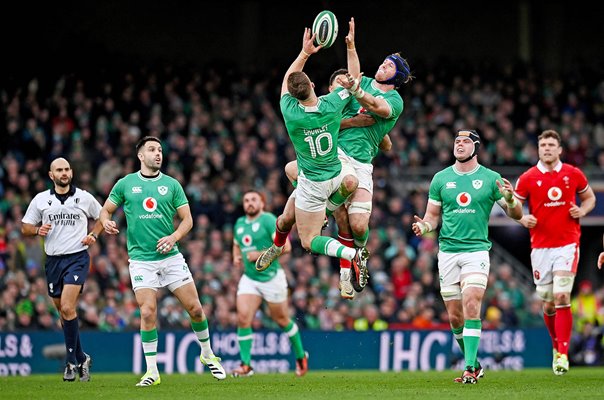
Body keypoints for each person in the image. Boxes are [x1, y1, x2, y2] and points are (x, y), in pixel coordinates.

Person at [285, 17, 411, 299]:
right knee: (295, 172)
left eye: (389, 65)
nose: (382, 65)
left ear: (397, 77)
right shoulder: (360, 83)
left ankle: (359, 254)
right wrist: (351, 47)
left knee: (358, 226)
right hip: (337, 157)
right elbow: (338, 113)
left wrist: (379, 132)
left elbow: (377, 106)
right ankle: (324, 210)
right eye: (383, 61)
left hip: (363, 163)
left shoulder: (395, 101)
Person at [99, 136, 226, 386]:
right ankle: (152, 372)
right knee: (147, 311)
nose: (158, 153)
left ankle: (207, 353)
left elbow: (188, 220)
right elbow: (106, 210)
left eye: (159, 150)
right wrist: (106, 222)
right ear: (140, 156)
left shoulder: (172, 185)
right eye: (152, 150)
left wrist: (174, 236)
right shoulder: (126, 184)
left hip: (170, 257)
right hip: (141, 260)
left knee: (196, 309)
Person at [255, 27, 369, 282]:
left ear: (292, 96)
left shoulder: (290, 112)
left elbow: (287, 80)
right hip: (336, 171)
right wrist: (350, 46)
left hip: (313, 184)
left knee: (308, 241)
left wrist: (305, 52)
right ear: (314, 86)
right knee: (286, 217)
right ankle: (278, 245)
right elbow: (354, 78)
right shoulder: (332, 104)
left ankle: (351, 255)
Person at [412, 129, 523, 384]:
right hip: (448, 252)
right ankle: (475, 363)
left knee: (471, 302)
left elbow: (515, 214)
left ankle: (469, 368)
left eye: (465, 141)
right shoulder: (441, 179)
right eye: (456, 141)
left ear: (476, 147)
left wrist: (510, 197)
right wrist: (424, 227)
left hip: (476, 251)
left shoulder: (490, 178)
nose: (459, 145)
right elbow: (431, 217)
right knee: (454, 317)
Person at [514, 129, 596, 375]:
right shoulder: (528, 177)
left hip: (567, 244)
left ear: (559, 149)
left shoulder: (573, 174)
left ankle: (563, 353)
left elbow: (590, 198)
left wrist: (583, 211)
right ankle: (555, 345)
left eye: (551, 145)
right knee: (548, 305)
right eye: (543, 145)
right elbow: (514, 207)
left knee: (562, 297)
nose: (547, 149)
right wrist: (522, 218)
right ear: (538, 150)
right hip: (540, 247)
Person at [21, 157, 104, 382]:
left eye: (67, 169)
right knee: (64, 312)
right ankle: (81, 357)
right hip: (53, 261)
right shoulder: (41, 200)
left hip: (77, 258)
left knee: (68, 306)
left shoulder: (83, 197)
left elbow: (103, 215)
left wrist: (94, 234)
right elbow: (25, 226)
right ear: (51, 175)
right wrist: (37, 230)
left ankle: (70, 363)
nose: (64, 172)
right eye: (59, 170)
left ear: (71, 172)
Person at [231, 190, 308, 377]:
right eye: (246, 200)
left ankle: (300, 356)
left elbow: (286, 247)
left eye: (253, 200)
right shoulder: (239, 224)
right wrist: (235, 255)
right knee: (242, 318)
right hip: (250, 279)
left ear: (262, 203)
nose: (249, 203)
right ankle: (245, 365)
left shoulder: (267, 220)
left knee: (281, 320)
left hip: (271, 279)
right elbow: (236, 243)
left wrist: (259, 255)